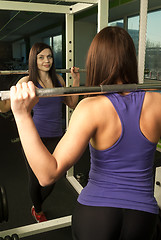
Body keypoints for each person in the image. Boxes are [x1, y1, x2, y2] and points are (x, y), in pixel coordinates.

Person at [10, 26, 161, 240]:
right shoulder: (158, 101)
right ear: (131, 58)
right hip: (144, 216)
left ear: (95, 61)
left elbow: (47, 175)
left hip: (96, 213)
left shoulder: (90, 108)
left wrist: (22, 115)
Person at [1, 42, 80, 223]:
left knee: (52, 179)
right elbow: (6, 107)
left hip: (56, 136)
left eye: (49, 56)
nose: (47, 61)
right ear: (33, 60)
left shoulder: (58, 79)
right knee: (35, 179)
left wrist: (75, 79)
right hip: (34, 137)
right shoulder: (27, 81)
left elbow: (72, 103)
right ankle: (37, 209)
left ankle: (37, 204)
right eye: (41, 57)